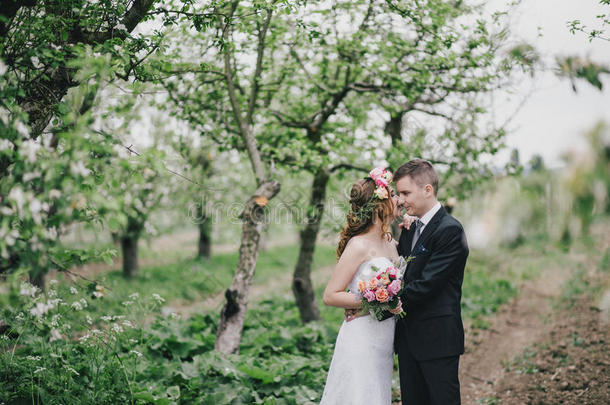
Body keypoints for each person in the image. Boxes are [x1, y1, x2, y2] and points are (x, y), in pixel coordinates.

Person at [319, 167, 402, 404]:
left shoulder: (390, 241)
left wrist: (383, 302)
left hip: (384, 338)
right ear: (379, 205)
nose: (398, 200)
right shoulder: (358, 245)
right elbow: (330, 295)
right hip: (362, 338)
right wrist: (371, 300)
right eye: (393, 194)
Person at [391, 159, 469, 405]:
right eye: (398, 194)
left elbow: (426, 284)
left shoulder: (450, 230)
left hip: (437, 339)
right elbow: (399, 271)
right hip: (408, 339)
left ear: (427, 190)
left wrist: (379, 304)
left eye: (405, 193)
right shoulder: (411, 228)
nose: (401, 200)